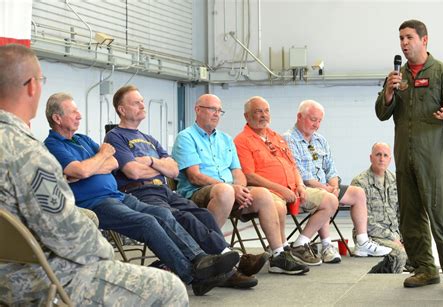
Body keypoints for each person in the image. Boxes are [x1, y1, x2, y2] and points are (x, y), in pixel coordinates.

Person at [0, 44, 187, 305]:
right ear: (32, 86)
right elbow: (70, 237)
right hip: (34, 281)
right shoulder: (28, 152)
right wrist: (107, 254)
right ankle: (189, 273)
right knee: (170, 288)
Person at [43, 92, 239, 296]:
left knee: (163, 214)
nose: (79, 115)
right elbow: (82, 170)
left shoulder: (82, 139)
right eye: (73, 112)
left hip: (118, 196)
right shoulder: (53, 145)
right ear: (57, 118)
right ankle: (192, 275)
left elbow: (113, 163)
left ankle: (199, 259)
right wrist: (98, 159)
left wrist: (94, 165)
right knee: (147, 222)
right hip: (95, 203)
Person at [104, 85, 267, 288]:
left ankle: (222, 264)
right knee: (183, 218)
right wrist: (160, 167)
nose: (142, 106)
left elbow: (172, 170)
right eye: (136, 103)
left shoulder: (149, 139)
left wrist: (150, 162)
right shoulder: (116, 136)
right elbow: (133, 172)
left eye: (142, 101)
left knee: (203, 216)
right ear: (121, 109)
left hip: (163, 191)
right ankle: (229, 266)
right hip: (139, 192)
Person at [375, 19, 443, 292]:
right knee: (411, 217)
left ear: (424, 40)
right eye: (400, 38)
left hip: (434, 161)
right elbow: (382, 112)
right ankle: (424, 269)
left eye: (409, 38)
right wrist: (389, 92)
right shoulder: (396, 77)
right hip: (405, 160)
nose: (404, 43)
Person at [173, 94, 309, 275]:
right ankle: (209, 252)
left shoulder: (225, 139)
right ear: (198, 110)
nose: (216, 114)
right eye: (212, 109)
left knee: (262, 194)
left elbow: (238, 172)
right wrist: (231, 189)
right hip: (198, 192)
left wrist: (241, 189)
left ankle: (278, 255)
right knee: (224, 191)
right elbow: (195, 176)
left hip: (230, 191)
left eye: (219, 110)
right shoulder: (186, 137)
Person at [234, 96, 341, 268]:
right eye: (258, 111)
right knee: (278, 206)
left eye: (266, 111)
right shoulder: (242, 141)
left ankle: (300, 243)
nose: (263, 115)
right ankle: (281, 252)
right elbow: (249, 176)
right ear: (247, 116)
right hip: (267, 192)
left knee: (330, 200)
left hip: (293, 188)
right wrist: (280, 189)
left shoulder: (276, 137)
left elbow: (293, 166)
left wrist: (299, 185)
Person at [283, 99, 392, 258]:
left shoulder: (320, 140)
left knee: (358, 193)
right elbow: (300, 174)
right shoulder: (288, 139)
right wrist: (327, 189)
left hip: (326, 187)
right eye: (313, 119)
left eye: (320, 121)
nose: (317, 124)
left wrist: (333, 186)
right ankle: (326, 245)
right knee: (327, 198)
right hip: (304, 189)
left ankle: (362, 242)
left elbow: (331, 169)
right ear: (299, 116)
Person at [351, 142, 407, 273]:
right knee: (399, 253)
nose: (382, 159)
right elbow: (366, 221)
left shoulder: (396, 180)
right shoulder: (360, 182)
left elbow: (401, 213)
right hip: (371, 236)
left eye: (385, 155)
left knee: (417, 249)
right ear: (371, 158)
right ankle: (390, 283)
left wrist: (404, 237)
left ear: (390, 159)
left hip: (395, 234)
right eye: (378, 155)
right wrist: (393, 238)